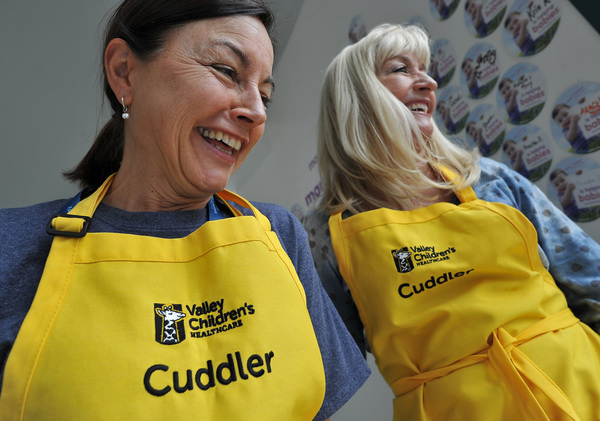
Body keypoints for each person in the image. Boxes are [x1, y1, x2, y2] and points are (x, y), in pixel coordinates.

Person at [0, 1, 370, 419]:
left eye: (265, 95)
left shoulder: (279, 235)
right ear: (124, 72)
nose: (257, 111)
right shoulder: (10, 249)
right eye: (227, 70)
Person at [303, 22, 600, 420]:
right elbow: (327, 374)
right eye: (401, 69)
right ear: (355, 95)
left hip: (584, 388)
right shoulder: (324, 233)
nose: (427, 83)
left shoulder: (488, 179)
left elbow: (591, 279)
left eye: (425, 70)